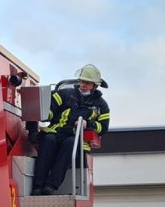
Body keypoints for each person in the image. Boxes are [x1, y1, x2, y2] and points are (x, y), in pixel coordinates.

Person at [31, 64, 110, 195]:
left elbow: (103, 128)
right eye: (82, 81)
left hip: (77, 138)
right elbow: (50, 110)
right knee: (48, 139)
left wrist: (88, 124)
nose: (83, 85)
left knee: (70, 144)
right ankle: (37, 186)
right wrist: (43, 114)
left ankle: (51, 186)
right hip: (56, 132)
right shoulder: (64, 94)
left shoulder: (101, 105)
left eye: (87, 83)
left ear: (95, 86)